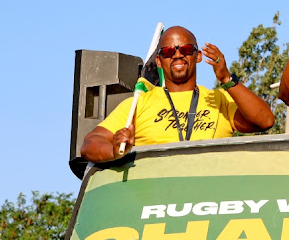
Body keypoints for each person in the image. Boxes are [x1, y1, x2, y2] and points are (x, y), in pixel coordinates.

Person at [80, 26, 275, 163]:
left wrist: (226, 80)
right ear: (158, 61)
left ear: (197, 56)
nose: (177, 55)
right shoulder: (138, 103)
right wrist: (114, 150)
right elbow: (90, 144)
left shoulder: (218, 100)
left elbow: (265, 120)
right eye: (168, 51)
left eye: (186, 49)